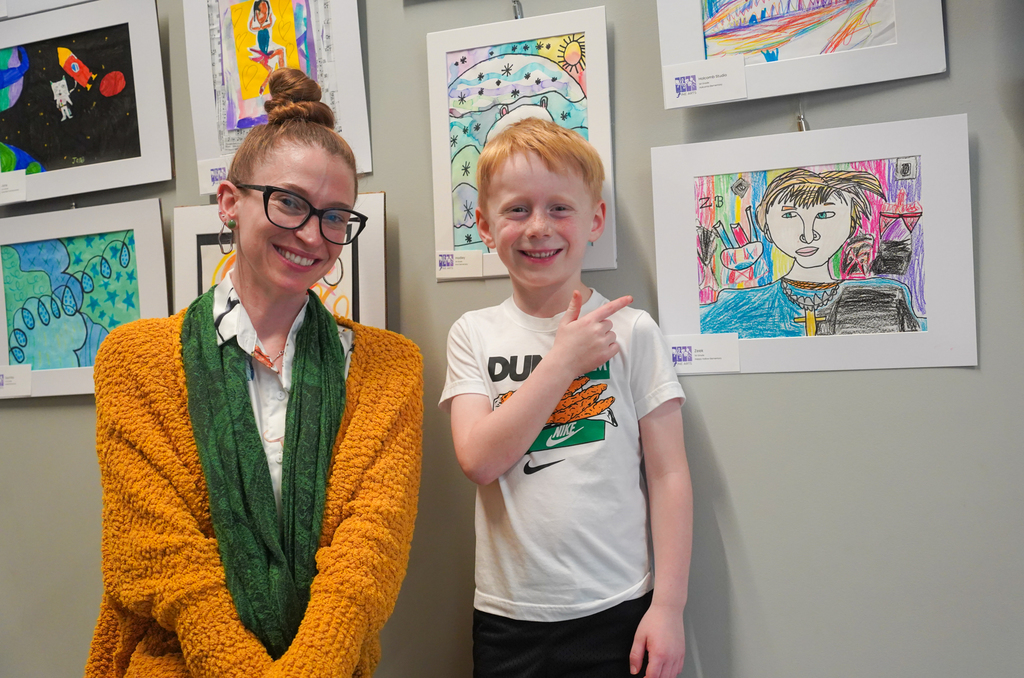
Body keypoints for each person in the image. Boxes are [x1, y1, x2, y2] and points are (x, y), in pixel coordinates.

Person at [85, 69, 423, 678]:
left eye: (335, 216)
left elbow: (367, 557)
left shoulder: (390, 371)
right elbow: (163, 558)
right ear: (229, 202)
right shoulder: (134, 361)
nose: (311, 234)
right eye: (289, 202)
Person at [440, 118, 692, 678]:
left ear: (595, 219)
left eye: (559, 208)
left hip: (618, 610)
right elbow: (479, 460)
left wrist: (668, 607)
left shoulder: (633, 330)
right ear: (483, 225)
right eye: (516, 209)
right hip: (508, 619)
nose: (538, 227)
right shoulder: (472, 333)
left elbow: (670, 475)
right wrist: (561, 362)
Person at [700, 167, 923, 337]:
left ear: (851, 224)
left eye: (825, 216)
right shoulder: (738, 307)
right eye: (789, 216)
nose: (808, 235)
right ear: (766, 226)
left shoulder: (888, 300)